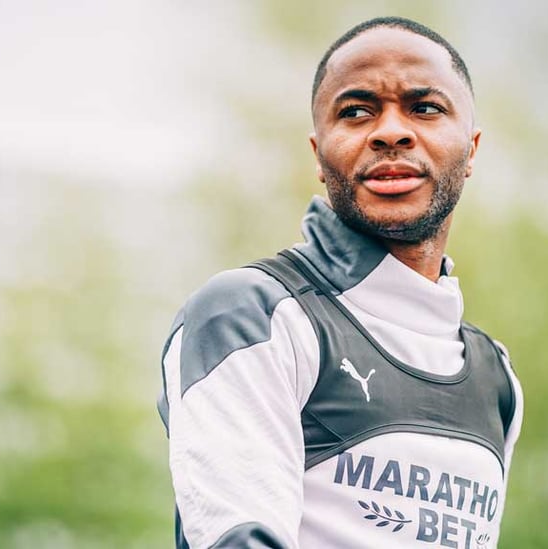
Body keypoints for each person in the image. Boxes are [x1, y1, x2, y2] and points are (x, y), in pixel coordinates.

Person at [158, 16, 524, 549]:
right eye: (356, 112)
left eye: (425, 108)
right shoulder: (250, 314)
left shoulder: (496, 376)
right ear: (318, 155)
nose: (391, 131)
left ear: (471, 149)